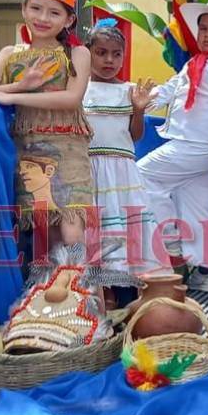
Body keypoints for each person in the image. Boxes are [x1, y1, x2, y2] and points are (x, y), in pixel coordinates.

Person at [0, 0, 93, 249]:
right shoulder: (10, 54)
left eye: (54, 12)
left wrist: (12, 98)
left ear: (68, 20)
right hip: (26, 152)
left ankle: (82, 296)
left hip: (68, 151)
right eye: (36, 8)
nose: (43, 17)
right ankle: (50, 296)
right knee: (46, 238)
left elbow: (70, 99)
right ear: (24, 10)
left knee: (72, 232)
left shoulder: (77, 53)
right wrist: (20, 84)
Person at [138, 0, 208, 292]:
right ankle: (206, 273)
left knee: (142, 175)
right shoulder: (196, 64)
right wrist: (136, 101)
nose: (207, 35)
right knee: (201, 206)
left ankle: (171, 239)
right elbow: (168, 91)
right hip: (199, 150)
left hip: (196, 147)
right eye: (203, 28)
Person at [82, 18, 164, 286]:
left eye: (116, 54)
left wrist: (138, 109)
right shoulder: (79, 90)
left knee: (124, 227)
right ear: (88, 53)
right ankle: (99, 291)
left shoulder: (130, 91)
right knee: (94, 229)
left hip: (122, 175)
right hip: (89, 171)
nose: (109, 60)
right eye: (101, 53)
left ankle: (124, 289)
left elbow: (136, 135)